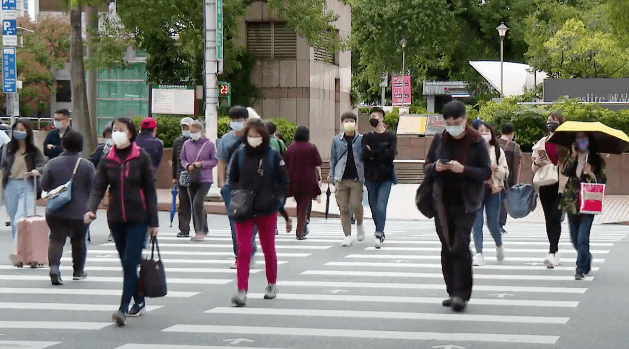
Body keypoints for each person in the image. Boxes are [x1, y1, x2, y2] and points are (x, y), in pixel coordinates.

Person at [85, 117, 159, 327]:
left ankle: (123, 308)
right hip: (116, 218)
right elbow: (98, 186)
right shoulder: (108, 159)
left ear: (131, 133)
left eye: (121, 130)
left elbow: (150, 192)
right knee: (126, 264)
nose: (116, 133)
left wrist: (153, 222)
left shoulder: (141, 157)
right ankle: (140, 299)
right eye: (114, 129)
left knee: (130, 262)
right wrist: (91, 209)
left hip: (139, 218)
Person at [424, 100, 491, 312]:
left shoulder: (476, 142)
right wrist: (436, 166)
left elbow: (486, 172)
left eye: (457, 122)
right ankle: (452, 291)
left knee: (460, 245)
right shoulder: (439, 139)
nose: (453, 126)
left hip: (466, 202)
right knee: (446, 246)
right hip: (441, 201)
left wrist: (463, 169)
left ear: (465, 119)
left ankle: (462, 294)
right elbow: (426, 167)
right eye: (449, 122)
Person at [228, 118, 289, 307]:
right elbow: (232, 180)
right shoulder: (239, 155)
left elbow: (284, 182)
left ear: (264, 136)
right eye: (251, 135)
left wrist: (277, 201)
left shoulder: (272, 155)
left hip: (267, 209)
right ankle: (241, 290)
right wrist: (237, 196)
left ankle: (271, 284)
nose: (254, 138)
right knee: (244, 250)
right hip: (244, 208)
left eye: (257, 135)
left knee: (268, 247)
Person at [41, 131, 95, 285]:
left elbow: (44, 186)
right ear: (80, 146)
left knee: (56, 239)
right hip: (79, 212)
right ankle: (78, 271)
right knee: (78, 240)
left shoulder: (51, 163)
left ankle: (54, 268)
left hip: (55, 210)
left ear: (63, 145)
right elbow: (93, 189)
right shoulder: (87, 165)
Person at [560, 132, 605, 280]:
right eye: (578, 138)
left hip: (588, 202)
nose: (581, 141)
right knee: (574, 237)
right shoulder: (571, 156)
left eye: (584, 137)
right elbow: (564, 171)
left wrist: (591, 174)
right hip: (572, 202)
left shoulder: (596, 160)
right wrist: (573, 156)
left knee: (582, 238)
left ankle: (580, 269)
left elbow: (603, 180)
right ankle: (586, 256)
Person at [217, 106, 258, 269]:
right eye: (233, 120)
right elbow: (221, 162)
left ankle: (250, 249)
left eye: (239, 120)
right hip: (230, 187)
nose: (235, 123)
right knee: (235, 223)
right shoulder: (225, 139)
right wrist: (221, 184)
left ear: (246, 121)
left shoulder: (253, 138)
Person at [3, 119, 45, 264]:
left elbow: (42, 165)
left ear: (27, 132)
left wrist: (37, 170)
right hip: (10, 185)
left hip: (27, 185)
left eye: (22, 130)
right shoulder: (8, 148)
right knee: (15, 221)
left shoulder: (34, 150)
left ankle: (21, 253)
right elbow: (3, 165)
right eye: (16, 129)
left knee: (20, 219)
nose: (18, 133)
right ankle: (21, 254)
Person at [532, 111, 569, 268]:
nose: (550, 123)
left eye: (554, 120)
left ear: (560, 123)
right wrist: (538, 162)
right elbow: (534, 168)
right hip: (545, 183)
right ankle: (554, 250)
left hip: (561, 185)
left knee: (555, 215)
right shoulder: (541, 143)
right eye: (548, 120)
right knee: (549, 218)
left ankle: (552, 251)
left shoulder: (566, 143)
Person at [472, 122, 508, 266]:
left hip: (493, 191)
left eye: (487, 131)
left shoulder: (498, 151)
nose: (484, 134)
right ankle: (479, 253)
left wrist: (496, 169)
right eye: (481, 132)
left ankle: (499, 245)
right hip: (476, 191)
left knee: (492, 224)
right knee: (476, 223)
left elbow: (506, 173)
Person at [362, 107, 397, 249]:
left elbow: (391, 154)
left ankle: (378, 233)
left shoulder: (391, 136)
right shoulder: (366, 137)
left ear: (381, 118)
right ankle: (380, 229)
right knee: (373, 207)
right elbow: (364, 155)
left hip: (386, 176)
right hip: (370, 176)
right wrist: (382, 150)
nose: (373, 118)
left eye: (375, 116)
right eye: (371, 116)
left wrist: (373, 152)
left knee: (381, 206)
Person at [328, 112, 365, 247]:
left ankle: (360, 223)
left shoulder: (361, 139)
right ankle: (347, 235)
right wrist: (331, 175)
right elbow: (332, 159)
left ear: (355, 123)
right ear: (342, 123)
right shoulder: (336, 140)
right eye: (346, 121)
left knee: (356, 205)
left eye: (351, 121)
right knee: (343, 208)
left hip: (356, 178)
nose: (348, 123)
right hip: (340, 178)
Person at [180, 120, 218, 242]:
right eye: (191, 132)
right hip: (191, 177)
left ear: (201, 132)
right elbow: (182, 158)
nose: (193, 134)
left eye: (195, 132)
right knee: (194, 204)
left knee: (197, 203)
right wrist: (187, 165)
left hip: (204, 178)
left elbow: (214, 161)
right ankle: (200, 229)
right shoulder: (186, 144)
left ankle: (199, 231)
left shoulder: (209, 144)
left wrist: (201, 164)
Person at [284, 126, 323, 240]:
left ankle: (301, 229)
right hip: (308, 180)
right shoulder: (311, 147)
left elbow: (285, 163)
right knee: (303, 207)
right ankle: (300, 232)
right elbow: (318, 162)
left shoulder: (291, 148)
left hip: (294, 180)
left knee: (299, 205)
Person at [89, 124, 114, 242]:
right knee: (91, 206)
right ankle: (85, 230)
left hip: (114, 183)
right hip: (100, 182)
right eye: (107, 137)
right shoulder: (100, 150)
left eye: (111, 136)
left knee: (112, 208)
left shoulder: (120, 150)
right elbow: (91, 162)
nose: (109, 139)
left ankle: (113, 231)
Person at [266, 121, 291, 233]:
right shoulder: (280, 143)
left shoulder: (262, 143)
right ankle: (277, 223)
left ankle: (273, 226)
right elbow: (286, 156)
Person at [497, 123, 522, 234]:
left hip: (494, 177)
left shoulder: (494, 143)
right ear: (511, 133)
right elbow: (516, 166)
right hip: (507, 178)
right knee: (504, 202)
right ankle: (500, 224)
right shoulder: (515, 147)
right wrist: (515, 183)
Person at [172, 117, 194, 238]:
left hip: (196, 177)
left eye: (187, 126)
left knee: (196, 203)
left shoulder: (198, 141)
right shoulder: (177, 142)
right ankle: (184, 229)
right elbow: (175, 160)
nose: (185, 129)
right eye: (183, 127)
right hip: (182, 176)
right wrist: (174, 176)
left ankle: (201, 228)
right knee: (183, 203)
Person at [134, 117, 164, 182]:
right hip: (150, 177)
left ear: (140, 128)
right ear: (155, 129)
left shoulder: (132, 141)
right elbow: (157, 162)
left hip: (133, 177)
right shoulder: (158, 143)